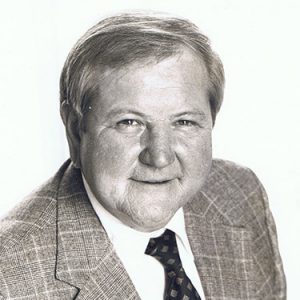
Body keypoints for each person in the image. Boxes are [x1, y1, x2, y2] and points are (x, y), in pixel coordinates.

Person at [0, 12, 286, 300]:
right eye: (129, 122)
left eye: (184, 122)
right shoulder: (10, 276)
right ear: (75, 130)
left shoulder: (240, 194)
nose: (159, 157)